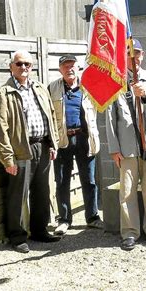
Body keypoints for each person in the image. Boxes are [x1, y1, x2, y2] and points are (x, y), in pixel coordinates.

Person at [0, 50, 61, 253]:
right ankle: (17, 236)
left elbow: (50, 115)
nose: (24, 68)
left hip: (42, 146)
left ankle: (39, 231)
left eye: (28, 64)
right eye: (20, 64)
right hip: (20, 149)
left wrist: (53, 143)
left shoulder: (40, 88)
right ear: (11, 67)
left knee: (42, 192)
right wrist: (7, 158)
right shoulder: (2, 94)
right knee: (17, 194)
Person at [105, 39, 146, 251]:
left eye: (137, 53)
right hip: (127, 146)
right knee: (128, 192)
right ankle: (130, 233)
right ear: (123, 57)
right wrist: (113, 148)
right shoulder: (116, 80)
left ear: (142, 55)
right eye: (130, 54)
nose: (134, 58)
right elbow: (110, 118)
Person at [48, 55, 103, 235]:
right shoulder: (52, 89)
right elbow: (48, 117)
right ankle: (64, 220)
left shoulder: (89, 86)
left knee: (90, 180)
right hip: (63, 140)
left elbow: (104, 103)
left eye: (72, 66)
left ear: (78, 68)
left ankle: (92, 217)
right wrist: (50, 142)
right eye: (65, 66)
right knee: (62, 181)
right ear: (60, 69)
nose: (69, 69)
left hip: (84, 138)